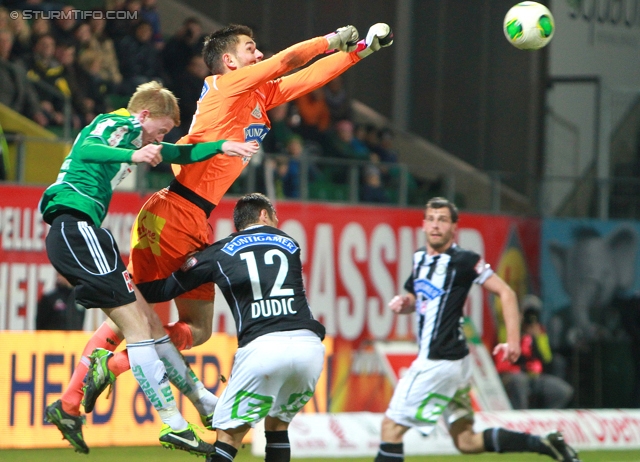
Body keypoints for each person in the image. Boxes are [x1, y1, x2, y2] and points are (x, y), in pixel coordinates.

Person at [79, 22, 394, 412]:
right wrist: (329, 41)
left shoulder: (255, 95)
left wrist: (358, 51)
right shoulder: (225, 85)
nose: (258, 54)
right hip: (182, 213)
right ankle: (112, 366)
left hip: (169, 209)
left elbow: (306, 79)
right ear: (228, 60)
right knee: (197, 328)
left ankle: (75, 396)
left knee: (137, 305)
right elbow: (287, 62)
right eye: (250, 48)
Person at [40, 80, 258, 455]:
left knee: (148, 323)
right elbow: (88, 148)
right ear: (144, 115)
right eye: (159, 130)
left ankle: (72, 405)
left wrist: (223, 146)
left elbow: (182, 154)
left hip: (89, 231)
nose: (158, 141)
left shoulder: (135, 135)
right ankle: (174, 423)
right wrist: (132, 156)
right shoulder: (118, 124)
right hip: (74, 226)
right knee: (140, 327)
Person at [374, 197, 580, 462]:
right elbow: (417, 297)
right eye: (432, 219)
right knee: (466, 441)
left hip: (439, 361)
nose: (436, 225)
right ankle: (545, 446)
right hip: (456, 364)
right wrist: (406, 303)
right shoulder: (419, 260)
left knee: (391, 428)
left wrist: (513, 341)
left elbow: (505, 293)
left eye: (443, 220)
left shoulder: (464, 260)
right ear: (424, 224)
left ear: (453, 227)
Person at [136, 193, 326, 462]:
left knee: (228, 437)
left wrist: (127, 287)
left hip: (264, 347)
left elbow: (167, 288)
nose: (277, 221)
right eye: (275, 216)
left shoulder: (221, 251)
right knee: (278, 426)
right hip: (310, 348)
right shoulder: (290, 244)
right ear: (263, 215)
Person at [496, 297, 574, 410]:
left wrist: (537, 338)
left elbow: (546, 358)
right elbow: (508, 355)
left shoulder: (539, 332)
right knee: (520, 382)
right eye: (528, 313)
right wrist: (520, 332)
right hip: (511, 375)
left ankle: (545, 420)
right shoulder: (509, 329)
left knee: (563, 391)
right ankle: (522, 419)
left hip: (534, 377)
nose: (530, 318)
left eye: (534, 314)